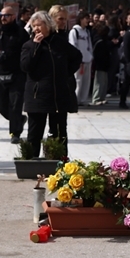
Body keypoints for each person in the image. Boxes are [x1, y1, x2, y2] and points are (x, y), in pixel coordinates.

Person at [19, 10, 81, 159]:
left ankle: (59, 163)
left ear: (48, 25)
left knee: (59, 133)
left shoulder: (60, 43)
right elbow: (25, 66)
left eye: (39, 25)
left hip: (58, 96)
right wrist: (36, 46)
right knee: (34, 134)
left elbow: (77, 57)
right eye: (33, 26)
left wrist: (64, 74)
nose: (36, 29)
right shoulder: (28, 45)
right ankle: (31, 164)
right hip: (37, 97)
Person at [0, 5, 29, 143]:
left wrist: (9, 56)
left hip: (17, 74)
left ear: (13, 17)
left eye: (6, 15)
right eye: (1, 15)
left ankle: (15, 133)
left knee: (15, 104)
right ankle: (19, 119)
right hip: (1, 73)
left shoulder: (21, 33)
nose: (3, 18)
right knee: (0, 104)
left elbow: (25, 51)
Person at [69, 10, 94, 106]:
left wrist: (90, 56)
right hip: (79, 61)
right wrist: (76, 59)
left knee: (86, 81)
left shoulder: (86, 32)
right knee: (78, 81)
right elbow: (73, 45)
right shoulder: (74, 31)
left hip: (87, 60)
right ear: (81, 19)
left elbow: (89, 45)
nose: (88, 21)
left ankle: (83, 100)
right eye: (86, 19)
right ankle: (75, 99)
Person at [89, 20, 113, 106]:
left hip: (105, 64)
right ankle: (96, 98)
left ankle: (102, 97)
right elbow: (96, 54)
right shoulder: (98, 41)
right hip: (99, 65)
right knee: (98, 82)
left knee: (104, 82)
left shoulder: (104, 41)